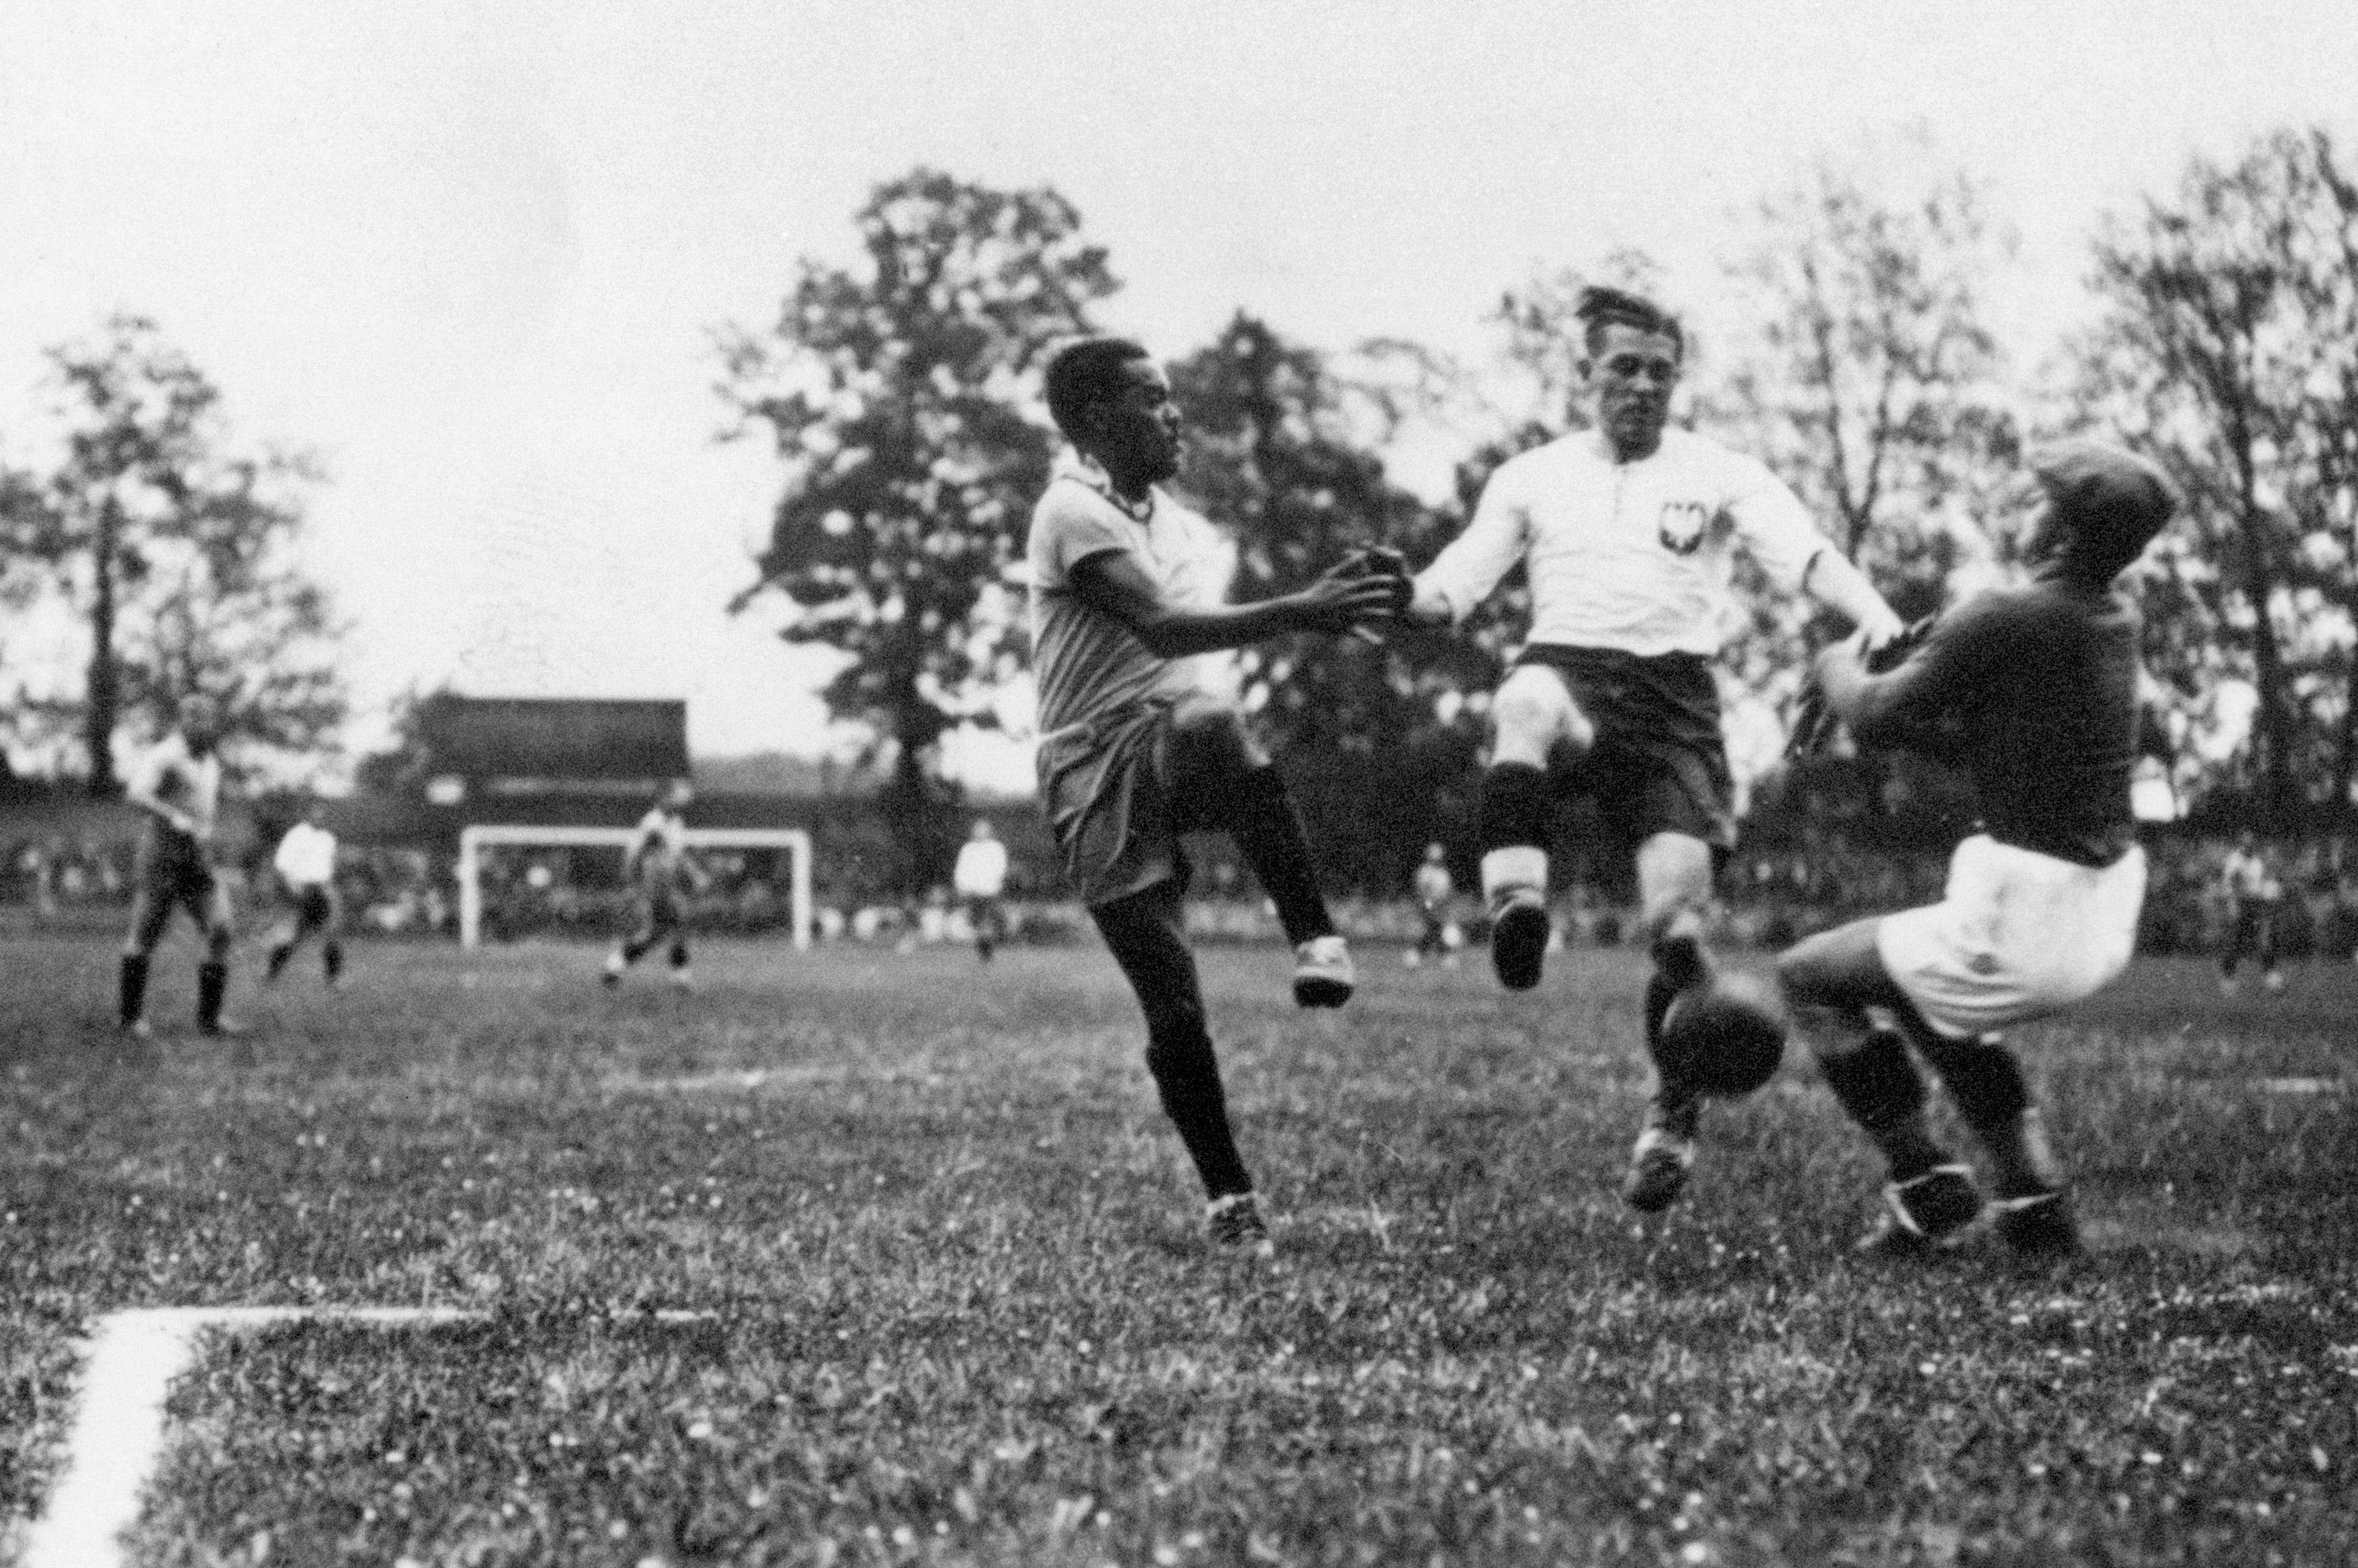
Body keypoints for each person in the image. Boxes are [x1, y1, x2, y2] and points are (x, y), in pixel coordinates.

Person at [1403, 285, 1905, 1213]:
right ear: (1584, 372)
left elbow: (1803, 553)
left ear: (1676, 381)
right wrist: (1407, 595)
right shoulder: (1531, 475)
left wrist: (1875, 614)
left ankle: (1670, 1114)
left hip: (1673, 705)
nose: (1640, 385)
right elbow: (1455, 581)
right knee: (1521, 699)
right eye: (1622, 368)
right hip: (1571, 677)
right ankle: (1517, 910)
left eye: (1658, 372)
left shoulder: (1718, 470)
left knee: (1674, 932)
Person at [1028, 335, 1404, 1256]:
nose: (1173, 415)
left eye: (1171, 397)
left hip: (1166, 743)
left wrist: (1324, 617)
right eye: (1151, 400)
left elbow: (1198, 665)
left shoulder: (1184, 529)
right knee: (1174, 1009)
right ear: (1093, 422)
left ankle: (1315, 937)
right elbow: (1162, 628)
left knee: (1209, 722)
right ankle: (1228, 1198)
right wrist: (1302, 611)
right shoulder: (1068, 511)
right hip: (1090, 772)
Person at [1774, 442, 2178, 1260]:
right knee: (1929, 1002)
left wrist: (1836, 668)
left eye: (2042, 503)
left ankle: (1924, 1182)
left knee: (1809, 978)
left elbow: (1877, 716)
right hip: (2096, 914)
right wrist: (1928, 671)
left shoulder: (2006, 612)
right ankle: (2035, 1200)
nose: (2025, 512)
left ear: (2061, 535)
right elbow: (1996, 745)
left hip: (2025, 917)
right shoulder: (2111, 616)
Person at [119, 693, 242, 1038]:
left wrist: (205, 834)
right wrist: (174, 816)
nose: (201, 724)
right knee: (144, 936)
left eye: (207, 718)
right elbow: (136, 794)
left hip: (197, 861)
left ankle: (209, 1019)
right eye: (193, 717)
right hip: (161, 859)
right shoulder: (165, 755)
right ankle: (131, 1020)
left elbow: (204, 810)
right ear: (183, 721)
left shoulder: (211, 762)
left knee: (221, 929)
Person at [602, 779, 708, 989]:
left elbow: (677, 854)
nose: (685, 799)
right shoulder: (654, 823)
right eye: (680, 794)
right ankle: (681, 981)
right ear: (666, 797)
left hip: (665, 882)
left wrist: (694, 874)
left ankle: (613, 970)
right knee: (677, 925)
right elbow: (640, 855)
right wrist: (634, 885)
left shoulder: (675, 822)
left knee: (657, 933)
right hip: (655, 883)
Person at [263, 805, 344, 988]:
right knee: (294, 936)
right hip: (303, 891)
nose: (320, 817)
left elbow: (329, 867)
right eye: (317, 813)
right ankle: (271, 973)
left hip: (322, 890)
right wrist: (292, 890)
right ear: (309, 814)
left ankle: (334, 978)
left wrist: (330, 889)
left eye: (324, 814)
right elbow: (281, 866)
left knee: (331, 934)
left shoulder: (328, 839)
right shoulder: (297, 835)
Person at [2216, 831, 2285, 994]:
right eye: (2246, 842)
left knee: (2264, 941)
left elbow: (2260, 884)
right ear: (2241, 844)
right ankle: (2228, 980)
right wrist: (2233, 905)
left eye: (2252, 842)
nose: (2249, 845)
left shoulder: (2257, 862)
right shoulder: (2234, 861)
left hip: (2255, 904)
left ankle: (2271, 977)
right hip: (2239, 903)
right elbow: (2233, 885)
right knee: (2235, 943)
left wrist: (2268, 893)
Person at [952, 818, 1011, 962]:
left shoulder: (996, 848)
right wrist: (962, 886)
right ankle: (982, 952)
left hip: (990, 890)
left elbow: (1001, 868)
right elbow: (962, 869)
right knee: (977, 923)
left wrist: (996, 883)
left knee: (988, 922)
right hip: (973, 891)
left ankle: (988, 951)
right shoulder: (968, 849)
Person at [1407, 842, 1457, 968]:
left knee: (1435, 931)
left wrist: (1445, 906)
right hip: (1429, 905)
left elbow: (1448, 891)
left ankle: (1416, 955)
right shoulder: (1425, 872)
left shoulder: (1443, 873)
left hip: (1441, 906)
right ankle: (1443, 957)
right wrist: (1427, 906)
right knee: (1435, 929)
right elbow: (1422, 891)